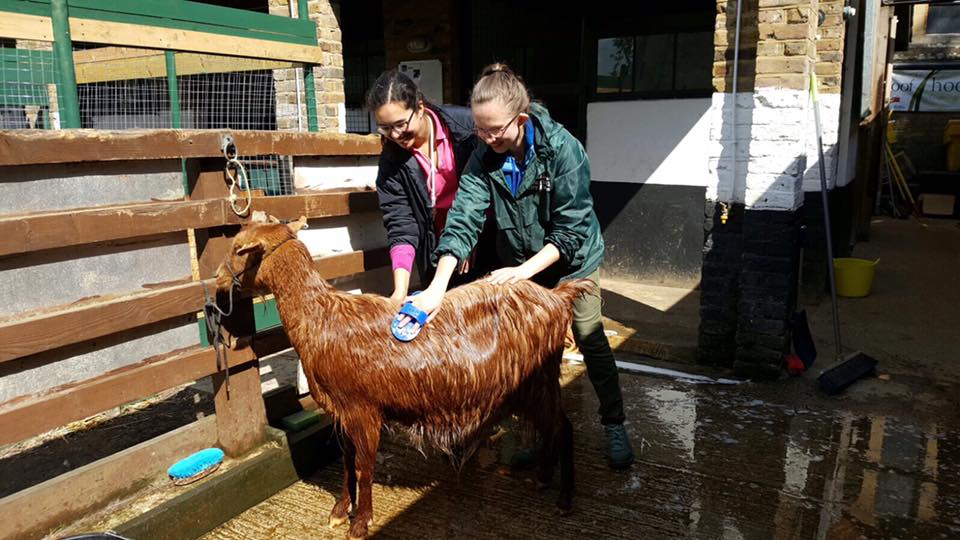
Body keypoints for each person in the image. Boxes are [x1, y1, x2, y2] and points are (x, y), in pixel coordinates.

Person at [402, 63, 635, 469]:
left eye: (495, 130)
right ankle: (541, 434)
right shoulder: (483, 156)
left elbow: (570, 229)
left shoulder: (564, 150)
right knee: (530, 356)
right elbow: (463, 219)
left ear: (521, 119)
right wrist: (437, 287)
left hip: (571, 260)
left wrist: (521, 273)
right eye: (480, 129)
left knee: (588, 334)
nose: (487, 138)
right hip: (522, 263)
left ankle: (614, 421)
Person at [366, 69, 492, 303]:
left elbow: (489, 190)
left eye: (401, 124)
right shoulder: (391, 161)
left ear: (420, 108)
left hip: (482, 238)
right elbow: (401, 223)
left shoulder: (467, 128)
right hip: (435, 250)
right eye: (385, 128)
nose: (395, 134)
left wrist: (468, 240)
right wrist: (400, 290)